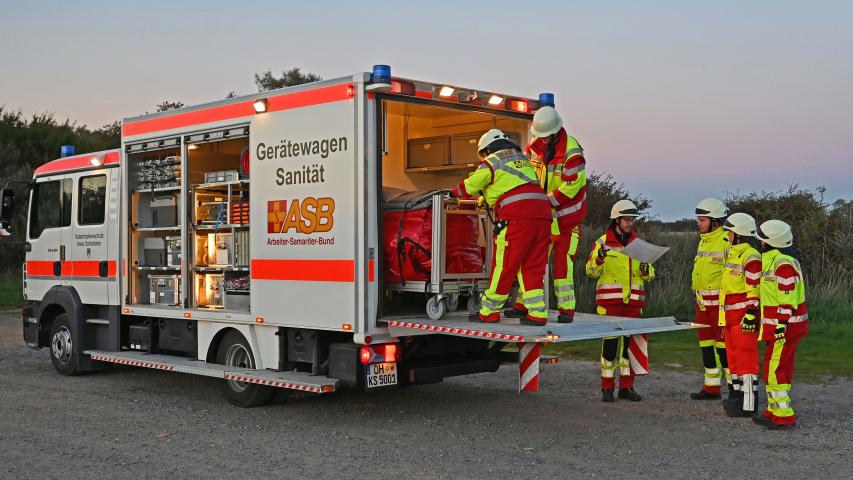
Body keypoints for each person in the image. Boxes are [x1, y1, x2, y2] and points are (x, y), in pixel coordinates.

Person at [450, 129, 552, 325]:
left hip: (518, 217)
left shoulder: (493, 160)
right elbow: (513, 185)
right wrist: (488, 199)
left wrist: (454, 193)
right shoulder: (522, 159)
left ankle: (489, 311)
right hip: (543, 215)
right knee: (532, 266)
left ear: (488, 149)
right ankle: (537, 313)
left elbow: (473, 184)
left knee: (505, 264)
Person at [505, 106, 587, 323]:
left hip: (566, 221)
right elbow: (523, 172)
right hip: (544, 217)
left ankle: (566, 310)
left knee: (562, 265)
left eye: (545, 135)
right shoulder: (534, 146)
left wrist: (542, 201)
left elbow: (571, 189)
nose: (541, 139)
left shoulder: (573, 153)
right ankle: (523, 304)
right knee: (532, 261)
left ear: (556, 132)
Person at [585, 200, 654, 402]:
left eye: (632, 220)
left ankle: (626, 387)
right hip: (610, 303)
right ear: (617, 220)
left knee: (628, 349)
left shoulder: (637, 244)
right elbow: (590, 271)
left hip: (633, 303)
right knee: (610, 348)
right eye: (627, 220)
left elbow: (650, 273)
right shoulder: (602, 243)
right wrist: (598, 259)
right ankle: (607, 388)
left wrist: (646, 270)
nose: (630, 223)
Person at [753, 220, 809, 429]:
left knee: (774, 369)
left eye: (762, 240)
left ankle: (783, 416)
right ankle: (774, 410)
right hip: (782, 327)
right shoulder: (776, 260)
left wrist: (781, 325)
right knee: (779, 367)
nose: (760, 243)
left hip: (784, 328)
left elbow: (787, 298)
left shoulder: (782, 264)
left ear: (771, 242)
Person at [718, 213, 762, 416]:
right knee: (734, 359)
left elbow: (754, 288)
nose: (726, 234)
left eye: (729, 231)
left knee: (746, 359)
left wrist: (751, 313)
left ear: (739, 233)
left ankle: (748, 404)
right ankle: (736, 397)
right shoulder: (732, 252)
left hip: (744, 317)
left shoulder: (751, 256)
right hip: (729, 316)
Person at [690, 197, 731, 400]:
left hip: (720, 307)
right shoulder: (703, 240)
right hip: (702, 305)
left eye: (702, 219)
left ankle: (735, 390)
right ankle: (711, 387)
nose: (698, 223)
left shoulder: (726, 241)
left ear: (715, 221)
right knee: (706, 346)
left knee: (724, 349)